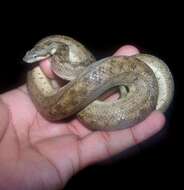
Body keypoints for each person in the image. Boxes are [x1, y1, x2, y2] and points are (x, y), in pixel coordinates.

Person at [0, 45, 165, 190]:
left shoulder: (59, 53)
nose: (29, 59)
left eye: (34, 56)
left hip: (140, 78)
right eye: (32, 55)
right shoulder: (56, 56)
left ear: (48, 53)